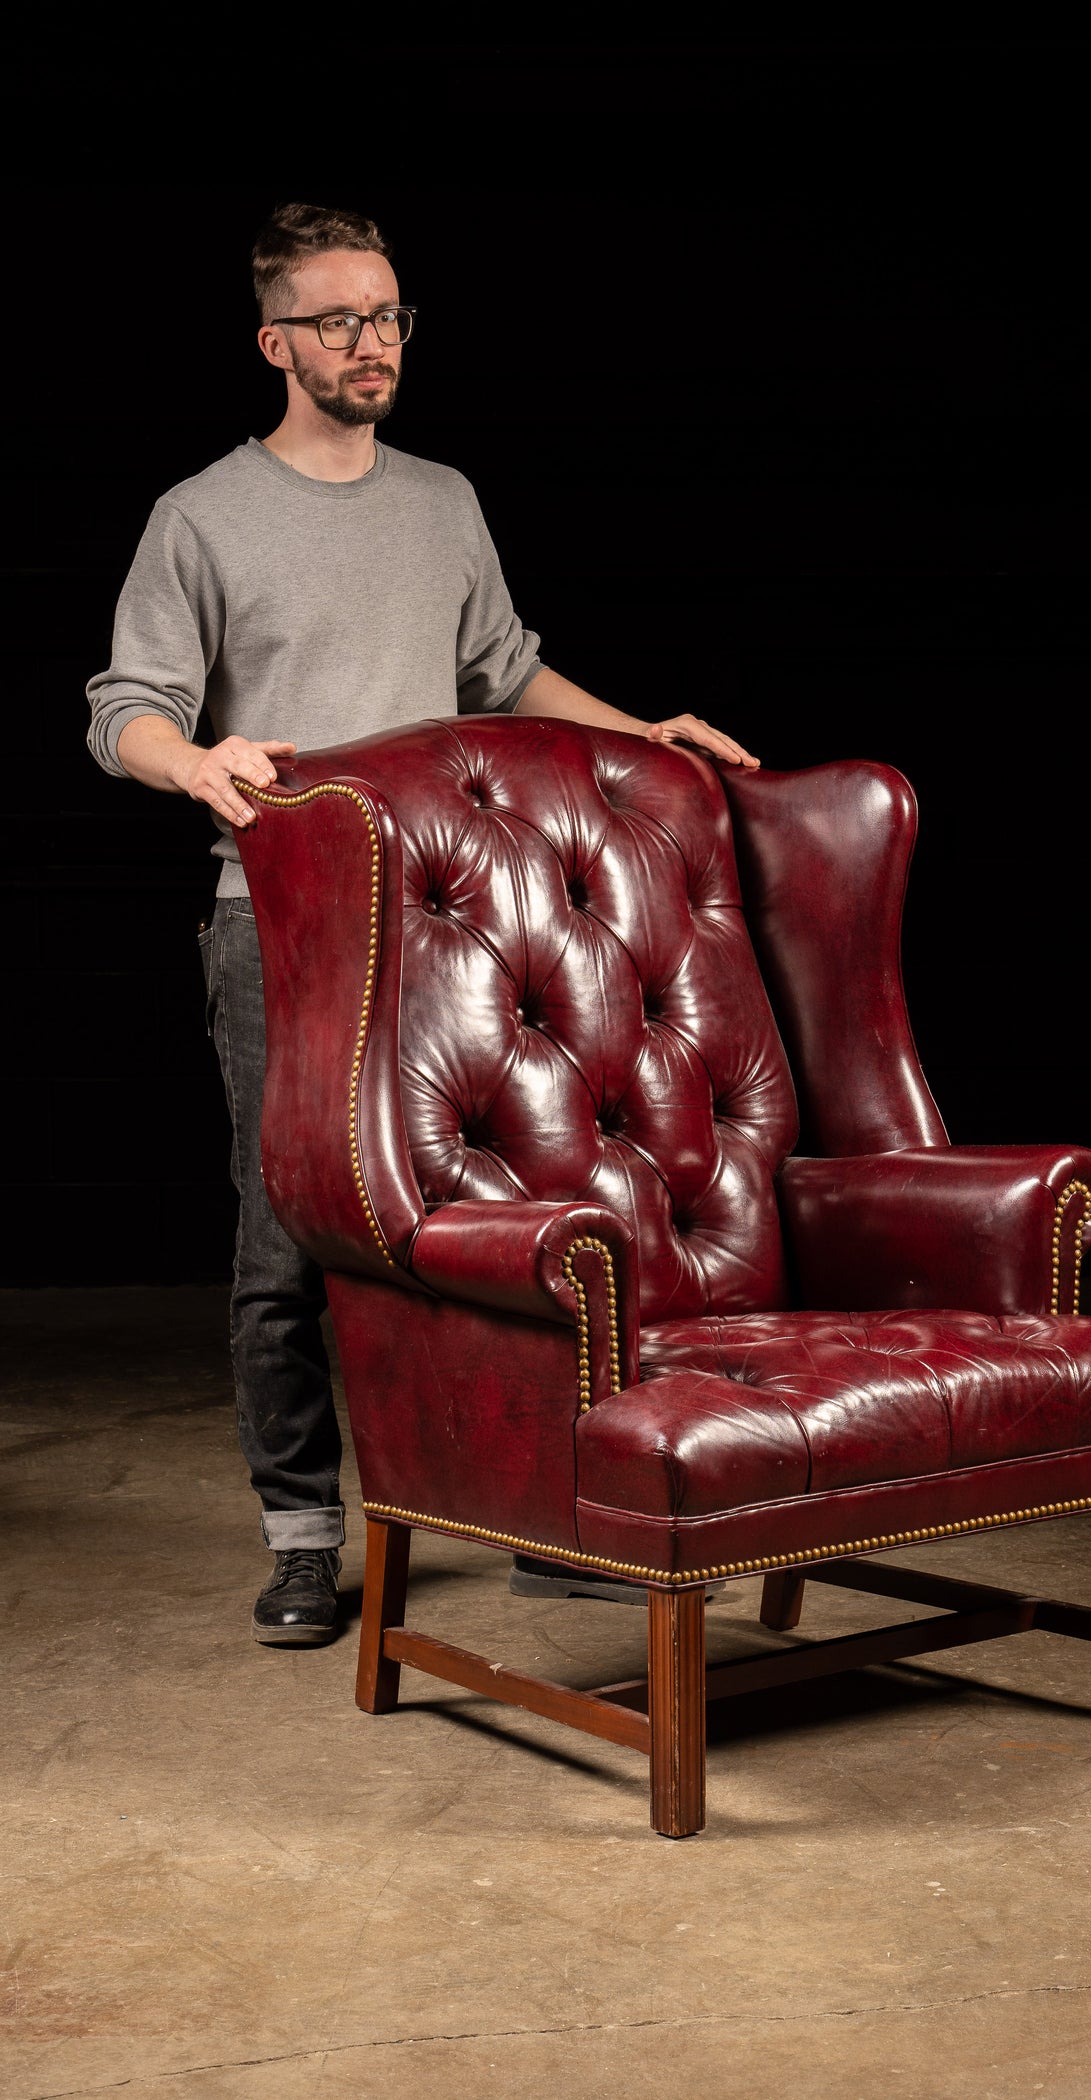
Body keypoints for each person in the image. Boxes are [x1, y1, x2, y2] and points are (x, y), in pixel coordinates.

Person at [86, 201, 757, 1647]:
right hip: (286, 927)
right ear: (277, 341)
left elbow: (505, 669)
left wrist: (649, 735)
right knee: (291, 1242)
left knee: (481, 1230)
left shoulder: (443, 500)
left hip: (462, 927)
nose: (370, 342)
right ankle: (305, 1536)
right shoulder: (200, 516)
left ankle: (509, 1510)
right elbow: (124, 709)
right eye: (337, 321)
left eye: (387, 315)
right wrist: (197, 761)